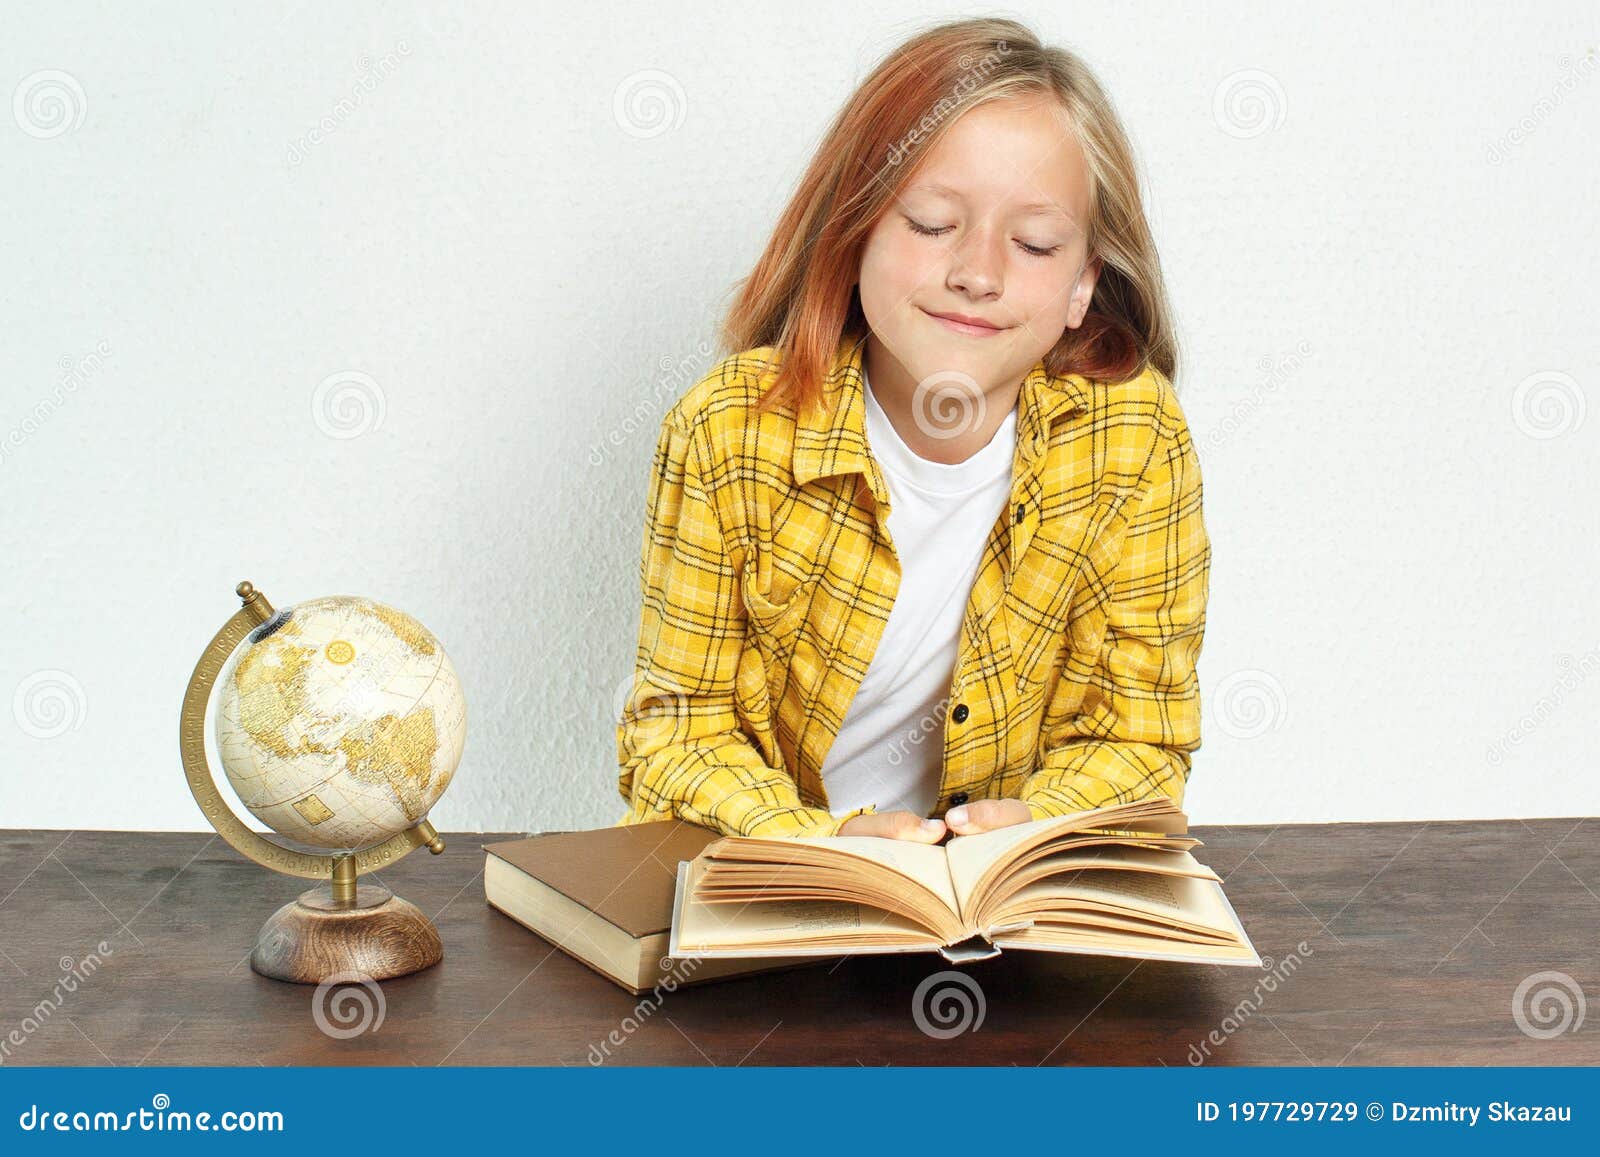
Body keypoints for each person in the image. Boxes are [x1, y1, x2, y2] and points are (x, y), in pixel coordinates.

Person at [615, 16, 1209, 844]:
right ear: (853, 233)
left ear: (1083, 286)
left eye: (1035, 244)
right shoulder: (728, 435)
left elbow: (1139, 738)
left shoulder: (1135, 439)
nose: (976, 274)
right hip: (786, 895)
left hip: (1000, 919)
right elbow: (676, 739)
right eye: (932, 223)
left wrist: (1041, 823)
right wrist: (822, 846)